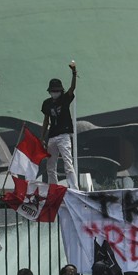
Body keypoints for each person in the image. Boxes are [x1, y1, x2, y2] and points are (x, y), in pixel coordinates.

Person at [41, 62, 79, 190]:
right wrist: (42, 138)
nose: (55, 93)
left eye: (57, 91)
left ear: (60, 91)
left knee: (68, 163)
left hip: (63, 135)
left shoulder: (64, 99)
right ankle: (54, 189)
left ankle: (74, 188)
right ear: (50, 91)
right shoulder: (46, 103)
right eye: (53, 91)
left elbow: (72, 88)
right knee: (50, 166)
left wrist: (74, 73)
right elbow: (46, 120)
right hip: (52, 136)